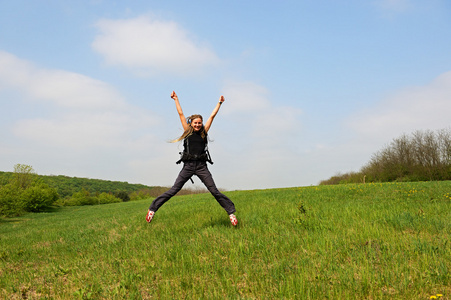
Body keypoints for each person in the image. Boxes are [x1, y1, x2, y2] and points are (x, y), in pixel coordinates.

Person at [145, 91, 238, 226]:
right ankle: (152, 209)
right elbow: (181, 114)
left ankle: (231, 213)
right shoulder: (187, 131)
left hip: (201, 166)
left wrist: (220, 103)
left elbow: (212, 116)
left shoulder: (204, 132)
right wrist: (176, 99)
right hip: (188, 166)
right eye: (195, 123)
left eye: (199, 123)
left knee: (214, 190)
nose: (197, 125)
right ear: (191, 123)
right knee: (174, 190)